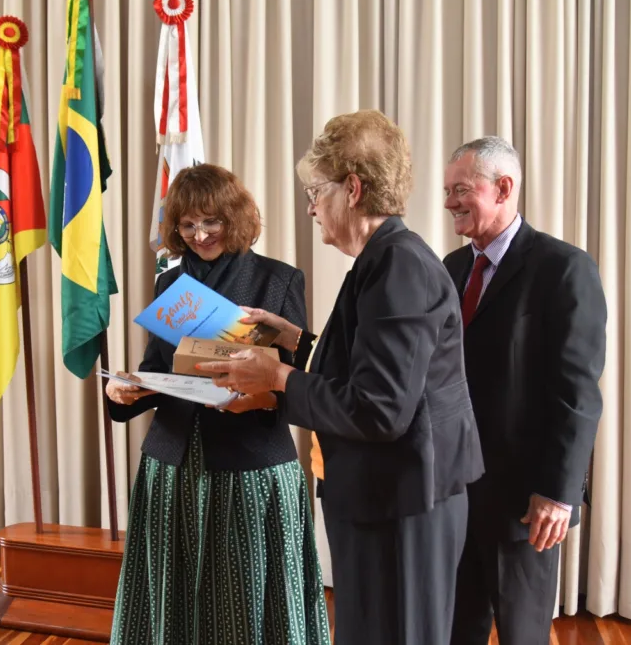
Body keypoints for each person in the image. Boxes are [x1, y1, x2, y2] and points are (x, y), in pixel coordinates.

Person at [198, 110, 485, 644]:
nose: (311, 207)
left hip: (404, 503)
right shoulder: (383, 259)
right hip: (386, 493)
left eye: (316, 191)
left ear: (352, 189)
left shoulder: (399, 267)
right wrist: (295, 341)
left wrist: (277, 377)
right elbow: (369, 366)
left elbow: (380, 409)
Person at [103, 163, 331, 645]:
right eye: (188, 224)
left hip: (250, 465)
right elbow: (157, 368)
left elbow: (298, 381)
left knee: (243, 603)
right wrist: (125, 390)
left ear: (235, 217)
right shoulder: (170, 285)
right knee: (171, 598)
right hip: (172, 465)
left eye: (212, 221)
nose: (200, 234)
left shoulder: (278, 280)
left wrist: (258, 397)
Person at [440, 136, 607, 645]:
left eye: (460, 190)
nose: (449, 203)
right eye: (447, 191)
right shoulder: (450, 268)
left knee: (523, 634)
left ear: (503, 187)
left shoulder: (564, 268)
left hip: (526, 502)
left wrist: (558, 492)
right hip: (454, 492)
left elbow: (577, 393)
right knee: (455, 629)